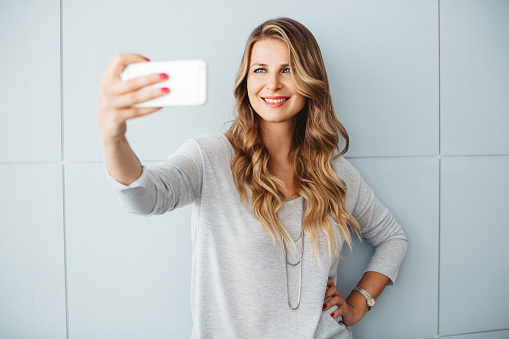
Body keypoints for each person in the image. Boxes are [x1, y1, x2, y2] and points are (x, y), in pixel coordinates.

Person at [99, 17, 407, 339]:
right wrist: (113, 136)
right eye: (260, 69)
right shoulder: (210, 157)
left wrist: (359, 304)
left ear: (309, 78)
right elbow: (142, 196)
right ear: (246, 79)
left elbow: (393, 238)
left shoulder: (334, 172)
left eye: (287, 70)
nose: (272, 84)